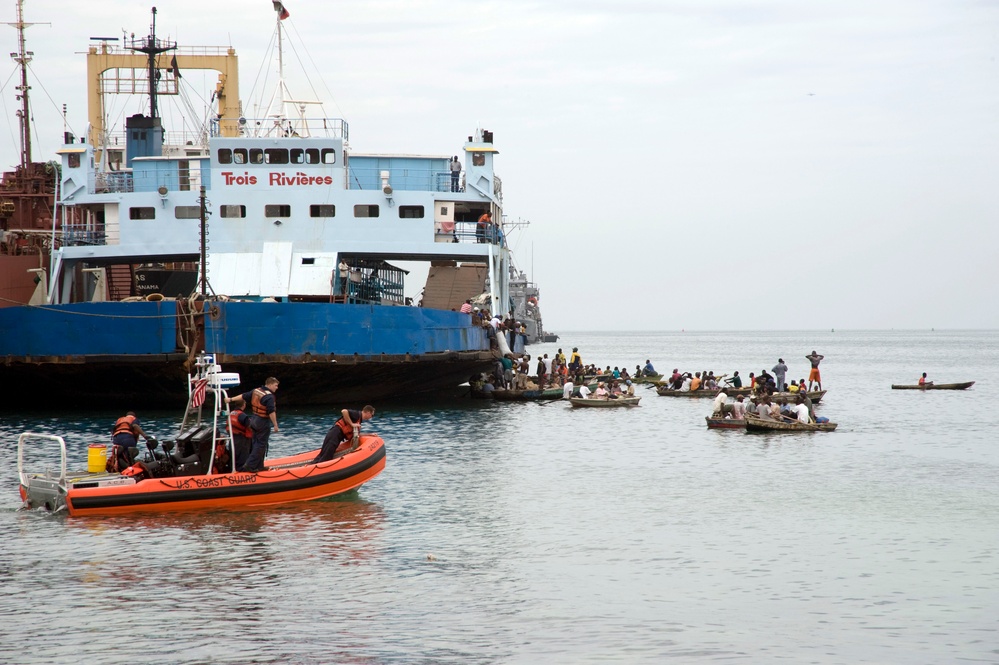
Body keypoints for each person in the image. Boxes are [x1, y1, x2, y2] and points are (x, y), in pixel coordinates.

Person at [227, 377, 279, 473]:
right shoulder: (269, 396)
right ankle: (250, 465)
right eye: (276, 385)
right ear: (270, 384)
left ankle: (259, 466)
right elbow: (271, 411)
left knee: (255, 443)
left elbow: (243, 396)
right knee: (261, 445)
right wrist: (275, 425)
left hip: (254, 419)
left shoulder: (256, 391)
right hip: (262, 421)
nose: (277, 388)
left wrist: (230, 399)